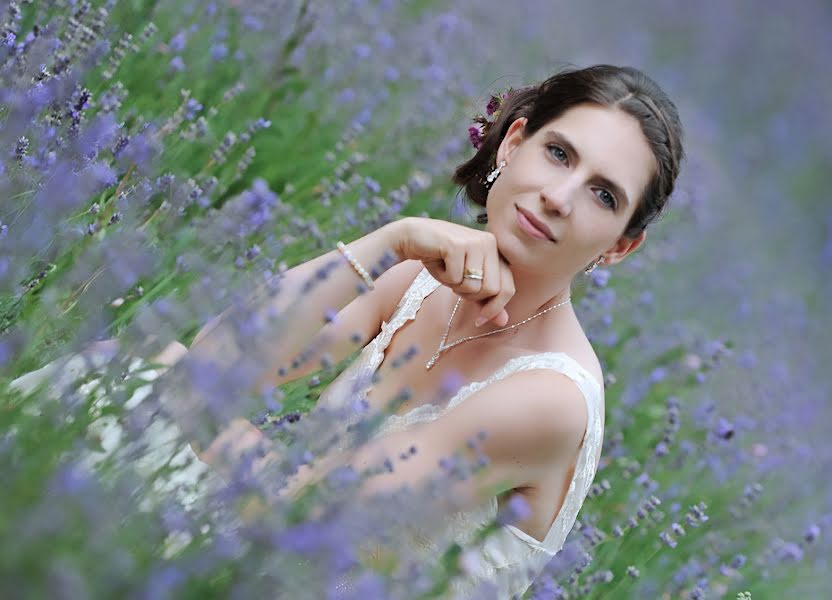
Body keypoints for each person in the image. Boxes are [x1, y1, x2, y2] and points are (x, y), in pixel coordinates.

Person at [11, 64, 684, 598]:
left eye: (604, 195)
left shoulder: (551, 398)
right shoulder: (426, 278)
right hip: (262, 550)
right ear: (514, 144)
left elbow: (314, 526)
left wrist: (219, 425)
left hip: (287, 558)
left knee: (138, 384)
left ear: (618, 248)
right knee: (120, 376)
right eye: (559, 154)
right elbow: (220, 367)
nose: (559, 197)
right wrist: (392, 241)